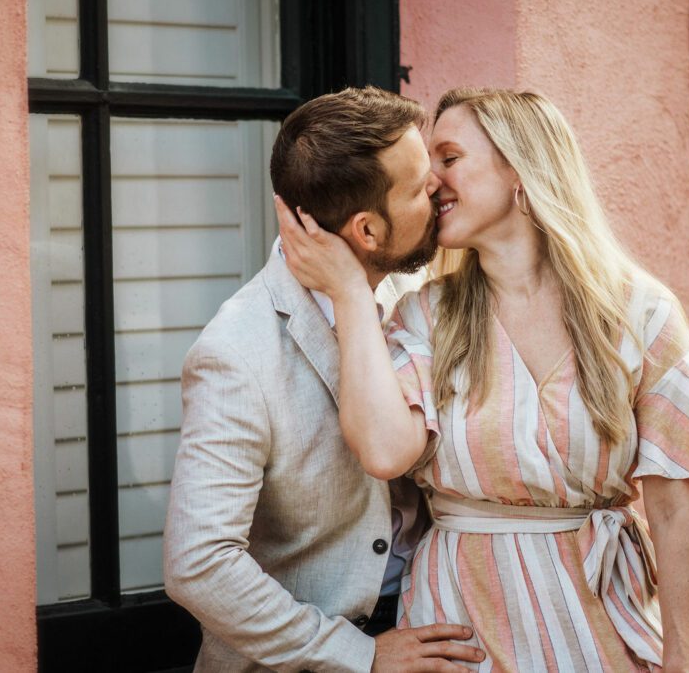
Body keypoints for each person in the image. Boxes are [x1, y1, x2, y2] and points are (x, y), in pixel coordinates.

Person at [276, 88, 689, 672]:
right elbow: (382, 449)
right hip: (462, 629)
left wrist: (684, 665)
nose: (432, 182)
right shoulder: (427, 315)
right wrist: (349, 290)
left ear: (521, 166)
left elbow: (677, 514)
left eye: (449, 158)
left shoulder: (640, 315)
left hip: (600, 622)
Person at [164, 87, 485, 672]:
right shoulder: (236, 353)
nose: (439, 186)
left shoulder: (417, 299)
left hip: (435, 624)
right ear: (367, 231)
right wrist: (358, 656)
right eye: (418, 187)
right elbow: (199, 563)